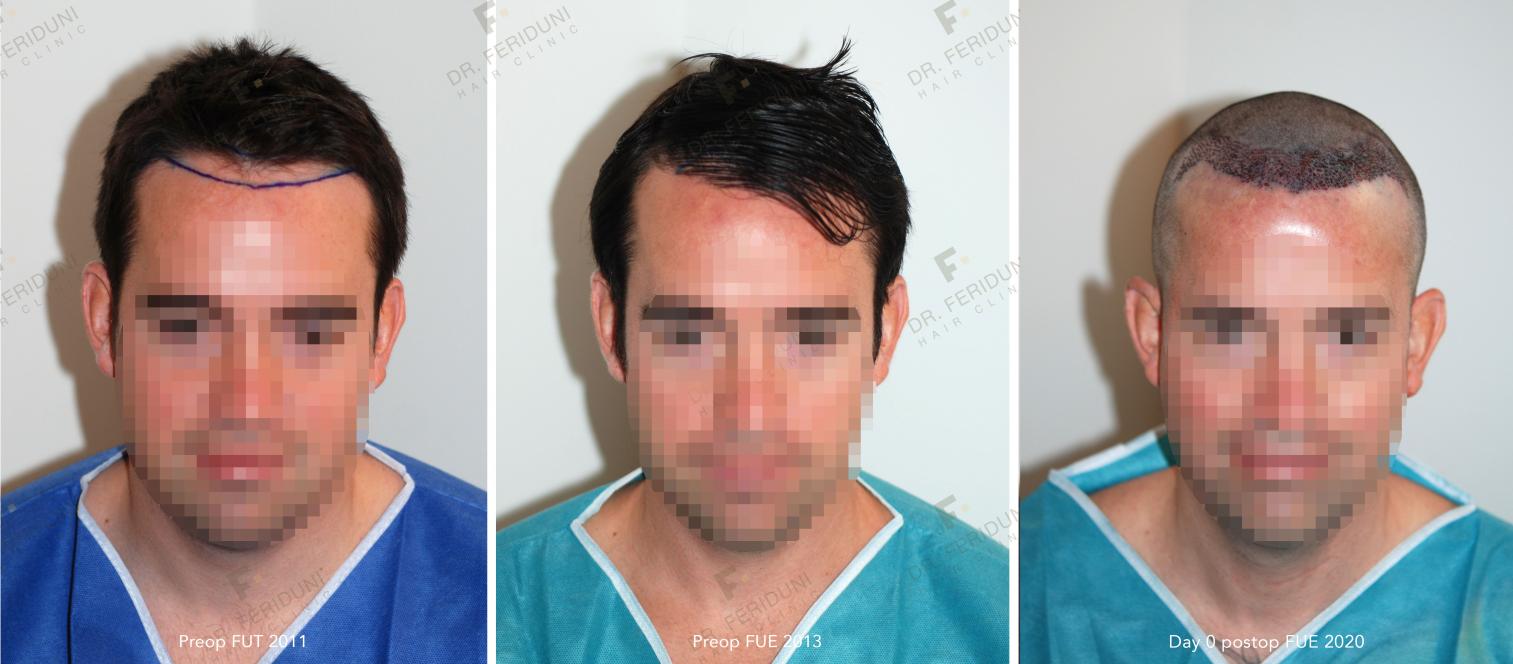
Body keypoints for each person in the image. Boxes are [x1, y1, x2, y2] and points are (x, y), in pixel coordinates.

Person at [496, 43, 1008, 663]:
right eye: (690, 334)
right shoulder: (495, 615)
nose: (748, 410)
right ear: (611, 328)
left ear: (886, 332)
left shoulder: (1003, 625)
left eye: (810, 336)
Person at [0, 38, 484, 663]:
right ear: (103, 320)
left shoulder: (496, 607)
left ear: (381, 335)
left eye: (309, 331)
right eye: (187, 327)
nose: (246, 402)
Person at [1021, 91, 1513, 662]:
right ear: (1153, 334)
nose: (1286, 407)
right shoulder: (1020, 588)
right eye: (1231, 331)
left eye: (1345, 335)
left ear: (1416, 345)